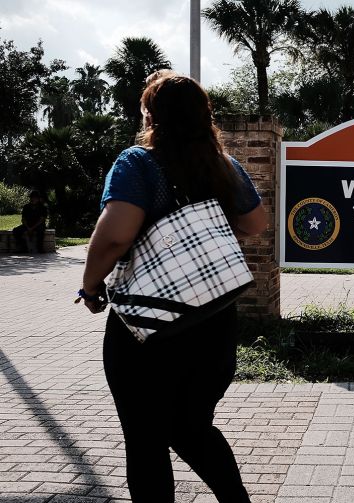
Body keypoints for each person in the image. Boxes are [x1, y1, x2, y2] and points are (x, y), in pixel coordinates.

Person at [79, 74, 267, 503]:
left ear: (150, 115)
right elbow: (256, 224)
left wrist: (91, 287)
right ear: (206, 115)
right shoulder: (224, 165)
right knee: (191, 427)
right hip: (213, 322)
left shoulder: (137, 163)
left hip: (148, 330)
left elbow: (114, 237)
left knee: (146, 439)